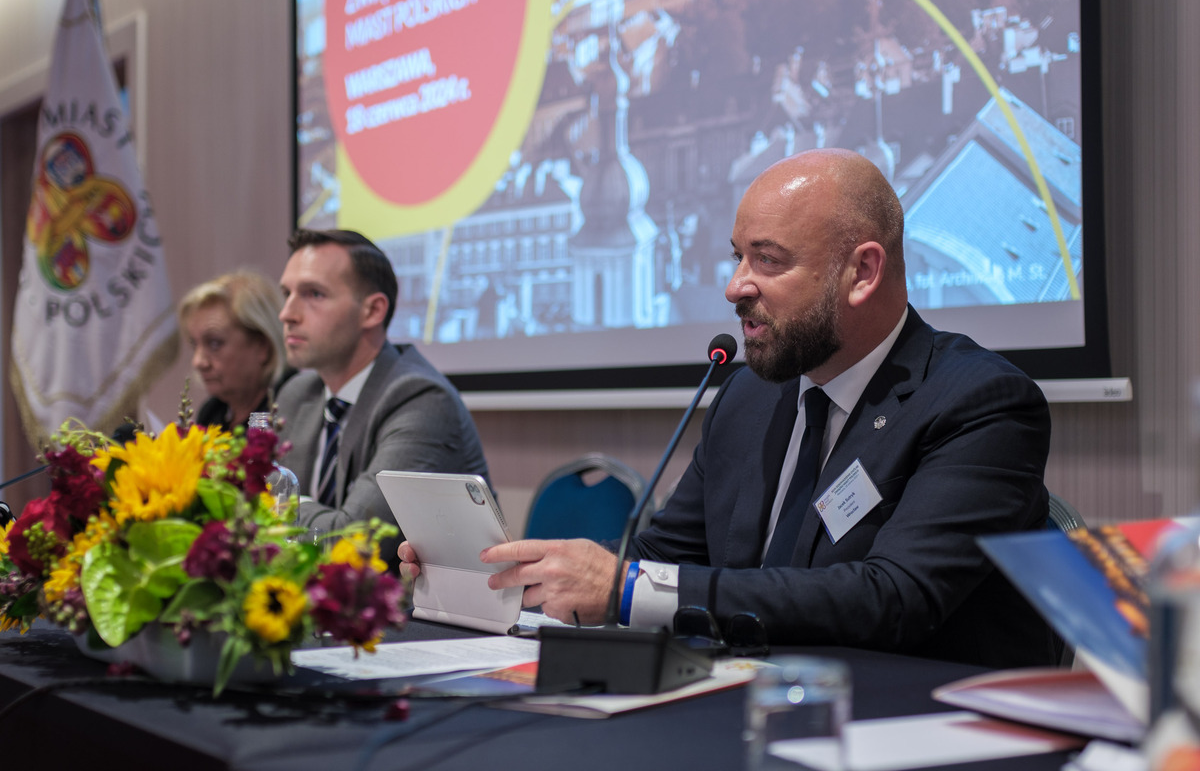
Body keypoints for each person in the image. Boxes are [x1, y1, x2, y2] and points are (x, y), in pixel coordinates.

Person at [400, 148, 1058, 668]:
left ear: (862, 272)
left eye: (767, 261)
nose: (735, 285)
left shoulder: (979, 403)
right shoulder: (749, 395)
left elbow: (893, 598)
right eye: (738, 256)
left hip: (905, 725)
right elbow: (659, 556)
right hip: (746, 705)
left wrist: (626, 588)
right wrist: (520, 575)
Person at [276, 228, 490, 566]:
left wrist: (275, 504)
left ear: (373, 311)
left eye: (314, 294)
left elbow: (353, 546)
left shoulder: (420, 399)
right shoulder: (297, 394)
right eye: (287, 294)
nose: (287, 314)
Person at [179, 271, 293, 430]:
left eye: (214, 344)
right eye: (194, 345)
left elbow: (257, 436)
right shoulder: (213, 412)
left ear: (263, 346)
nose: (198, 362)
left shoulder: (290, 402)